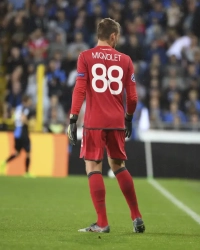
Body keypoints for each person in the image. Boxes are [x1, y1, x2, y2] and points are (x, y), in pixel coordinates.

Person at [67, 18, 145, 234]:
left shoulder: (86, 57)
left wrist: (73, 118)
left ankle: (102, 223)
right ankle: (136, 216)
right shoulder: (126, 60)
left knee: (93, 167)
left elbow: (80, 89)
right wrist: (128, 117)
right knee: (118, 166)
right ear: (113, 36)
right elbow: (133, 97)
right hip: (117, 122)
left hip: (94, 122)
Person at [0, 95, 34, 177]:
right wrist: (29, 123)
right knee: (28, 153)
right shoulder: (25, 109)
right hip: (23, 133)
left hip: (17, 133)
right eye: (29, 101)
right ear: (26, 101)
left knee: (17, 153)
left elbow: (13, 119)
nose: (31, 102)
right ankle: (27, 172)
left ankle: (4, 162)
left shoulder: (17, 108)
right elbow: (24, 119)